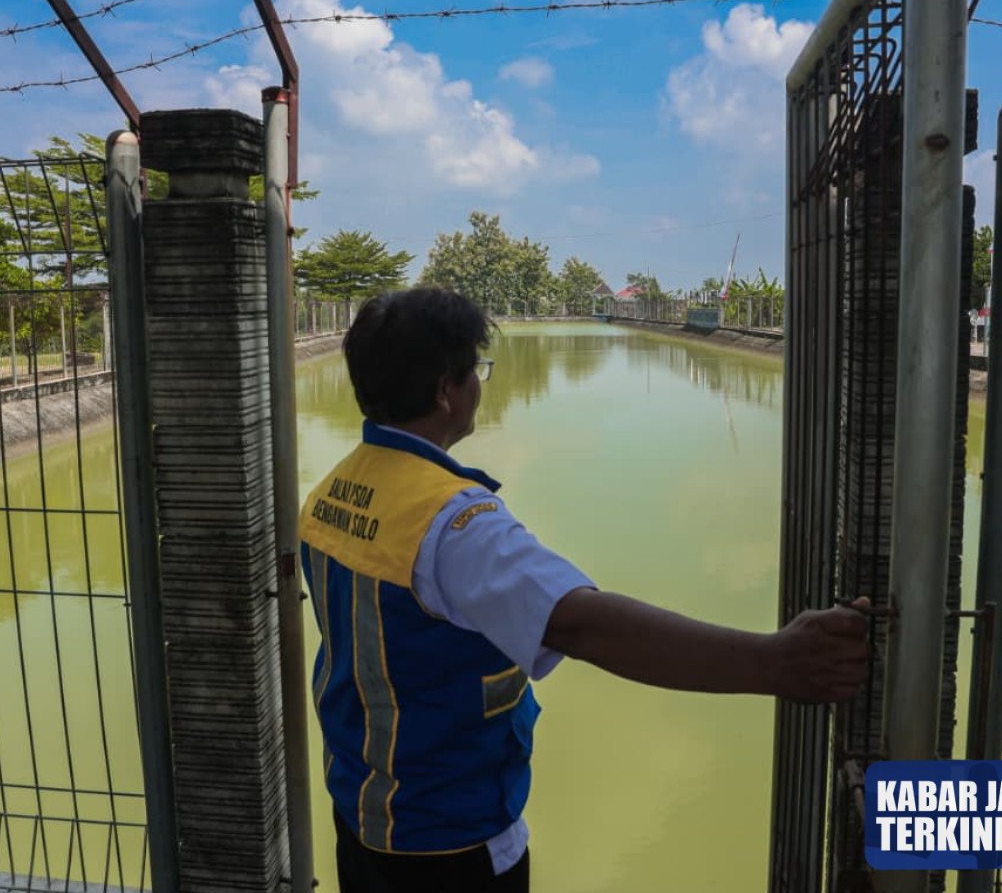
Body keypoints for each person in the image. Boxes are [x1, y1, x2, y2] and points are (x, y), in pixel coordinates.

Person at [299, 288, 870, 893]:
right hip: (449, 840)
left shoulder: (334, 491)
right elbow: (584, 624)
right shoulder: (454, 524)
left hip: (363, 813)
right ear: (447, 390)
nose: (478, 387)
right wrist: (774, 662)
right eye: (476, 371)